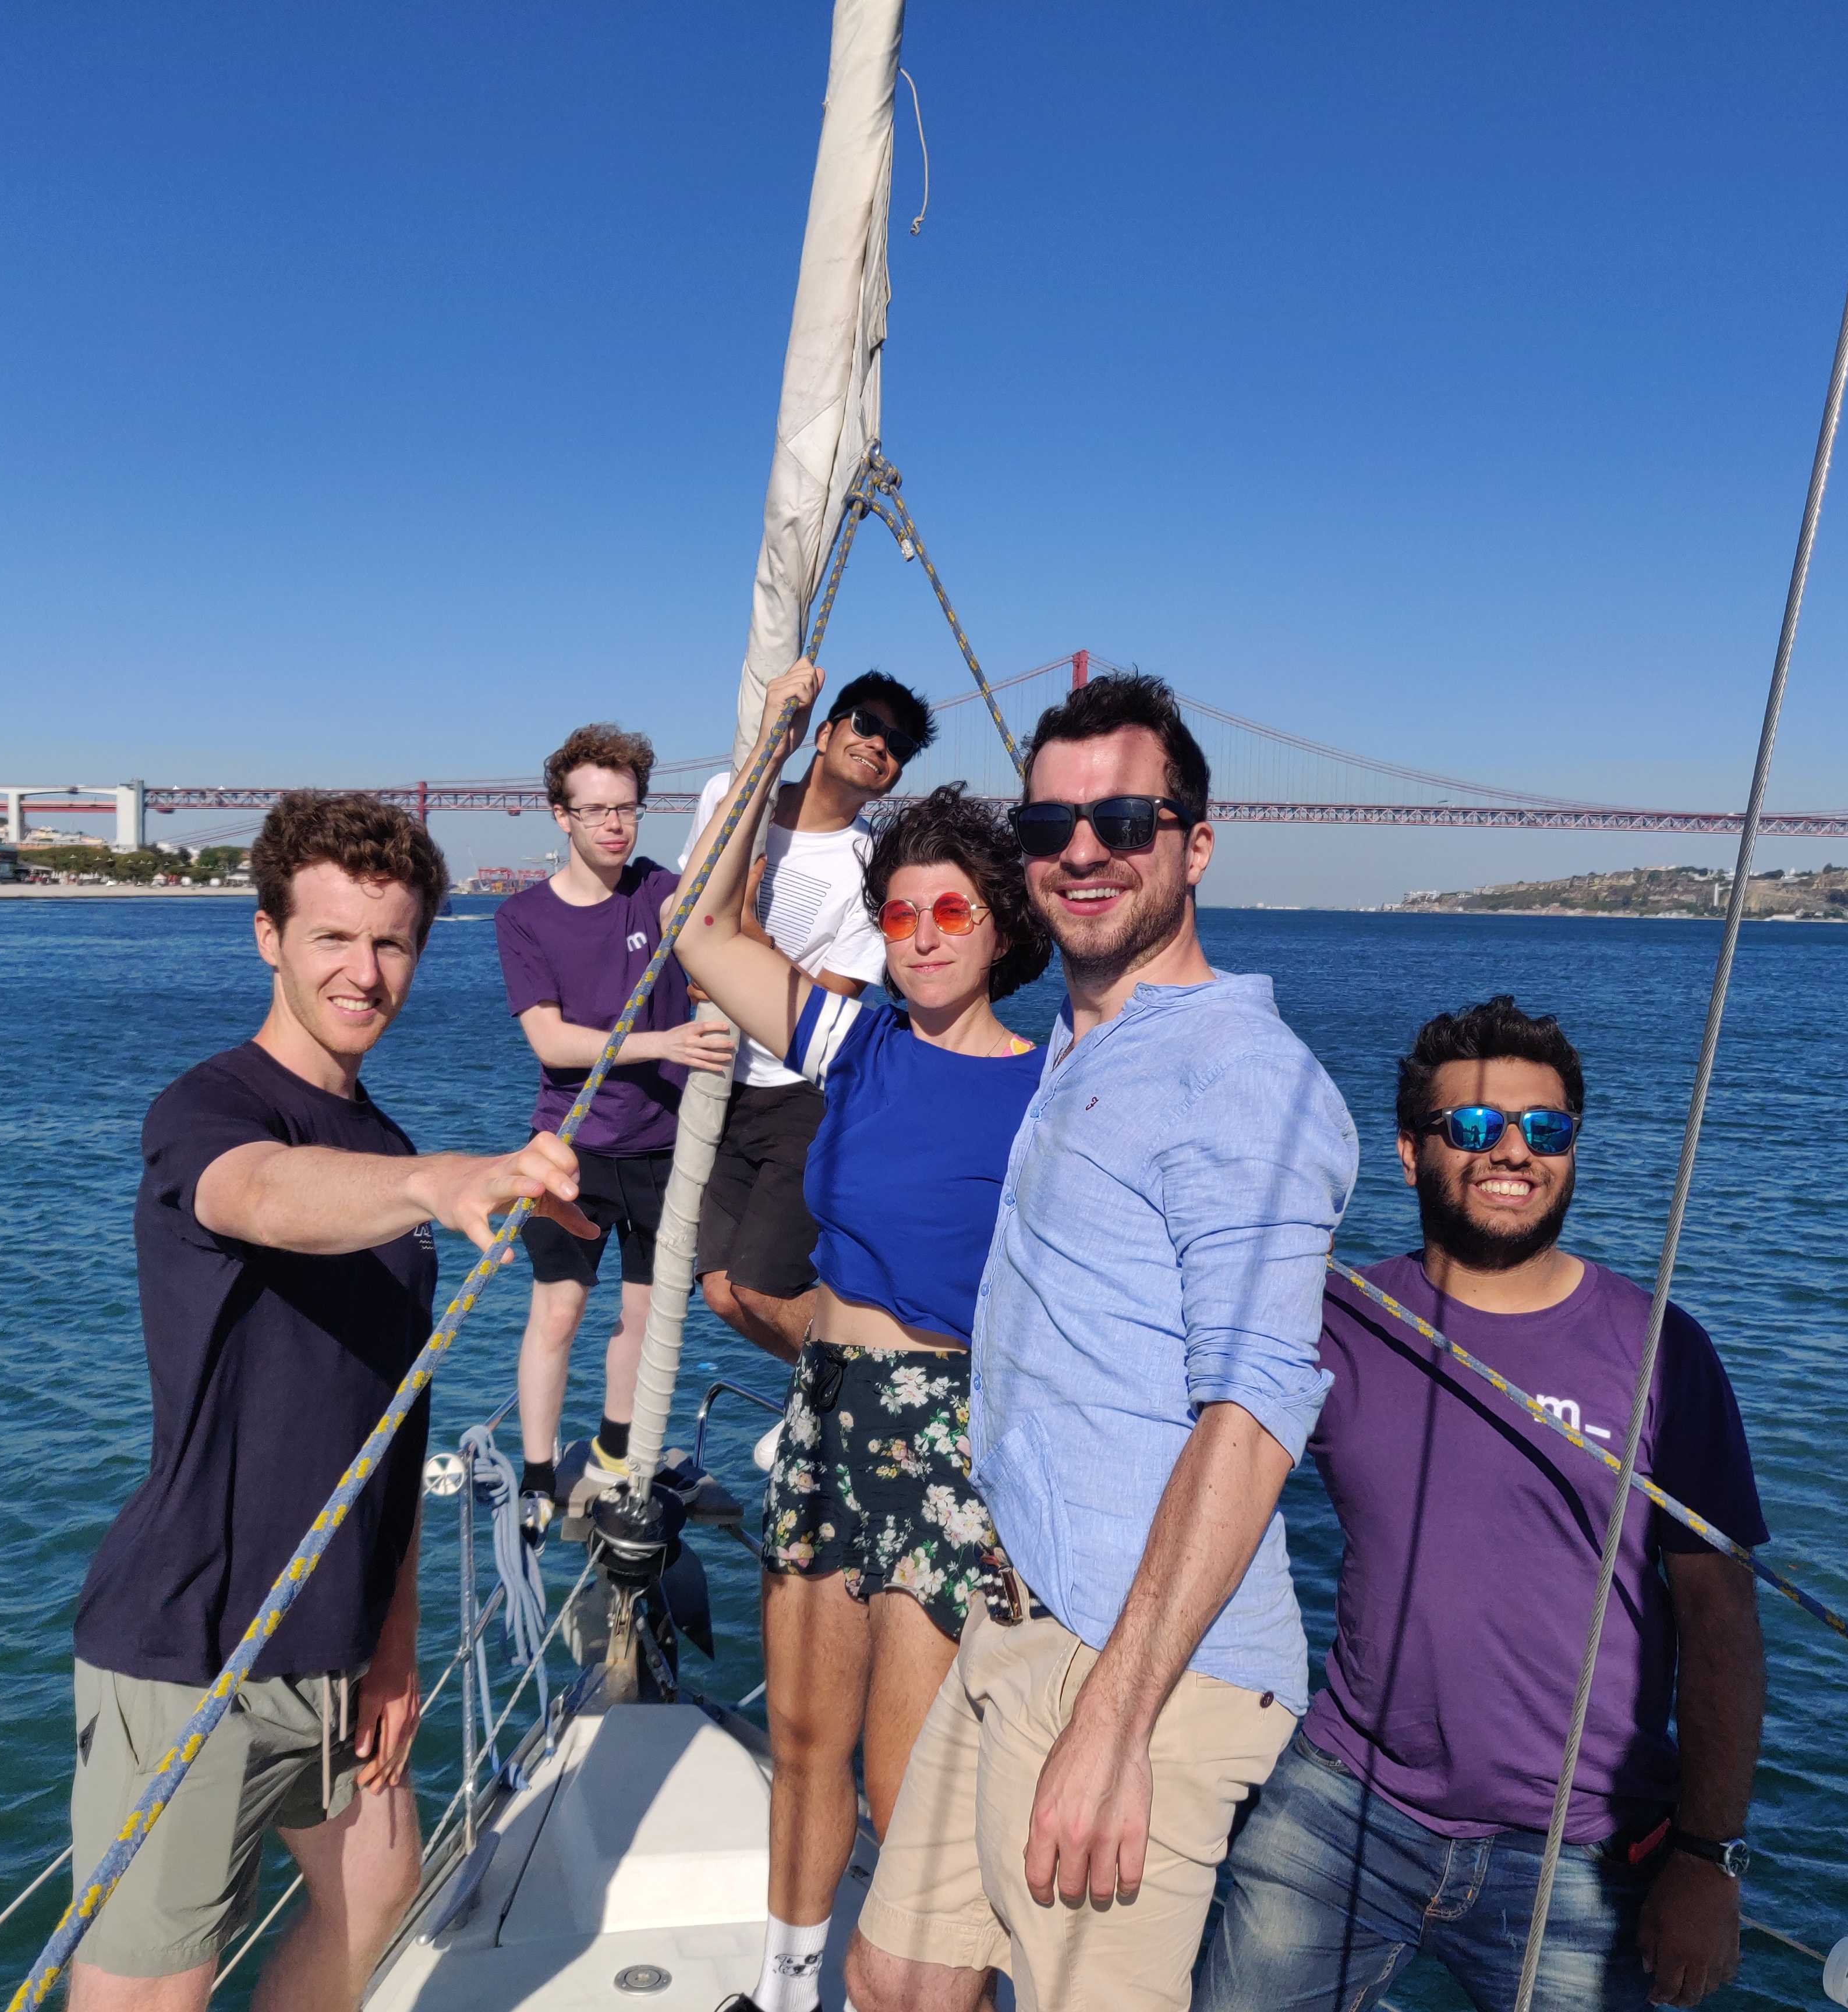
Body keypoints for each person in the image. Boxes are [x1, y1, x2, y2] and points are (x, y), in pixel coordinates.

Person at [848, 674, 1358, 2012]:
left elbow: (1251, 1414)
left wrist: (1116, 1719)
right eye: (1052, 821)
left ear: (1194, 843)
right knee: (898, 1974)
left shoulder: (1241, 1078)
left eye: (1126, 817)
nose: (1084, 848)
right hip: (1017, 1615)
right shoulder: (1086, 1042)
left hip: (1140, 1665)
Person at [63, 791, 595, 2012]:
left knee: (380, 1885)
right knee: (148, 1989)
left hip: (338, 1647)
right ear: (268, 936)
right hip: (194, 1639)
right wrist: (442, 1178)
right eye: (333, 939)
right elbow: (259, 1195)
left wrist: (395, 1643)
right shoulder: (213, 1111)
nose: (365, 973)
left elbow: (389, 1427)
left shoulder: (388, 1153)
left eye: (393, 942)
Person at [1194, 995, 1769, 2012]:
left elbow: (1719, 1621)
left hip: (1578, 1856)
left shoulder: (1662, 1352)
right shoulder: (1339, 1320)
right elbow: (1198, 1459)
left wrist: (1706, 1859)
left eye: (1543, 1128)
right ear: (1412, 1155)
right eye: (1472, 1126)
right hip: (1344, 1809)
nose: (1511, 1151)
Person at [675, 660, 1051, 2012]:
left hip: (951, 1439)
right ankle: (786, 1994)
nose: (921, 928)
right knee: (802, 1736)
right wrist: (769, 744)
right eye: (899, 908)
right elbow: (703, 928)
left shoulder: (1053, 1090)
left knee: (909, 1780)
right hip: (828, 1413)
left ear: (1002, 926)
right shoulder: (859, 1040)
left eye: (953, 906)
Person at [493, 724, 735, 1532]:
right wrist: (661, 1043)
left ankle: (610, 1453)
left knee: (644, 1315)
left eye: (627, 809)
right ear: (559, 814)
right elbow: (550, 1042)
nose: (614, 826)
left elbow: (722, 886)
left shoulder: (661, 892)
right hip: (571, 1149)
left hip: (663, 1148)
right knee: (558, 1310)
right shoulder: (523, 918)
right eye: (595, 810)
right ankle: (535, 1474)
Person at [685, 670, 934, 1360]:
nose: (881, 744)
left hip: (799, 1096)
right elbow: (681, 913)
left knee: (764, 1288)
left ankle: (869, 1395)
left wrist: (742, 941)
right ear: (822, 732)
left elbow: (831, 1004)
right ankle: (827, 1396)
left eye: (900, 745)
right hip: (715, 1079)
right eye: (866, 724)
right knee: (718, 1291)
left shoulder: (871, 870)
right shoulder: (731, 796)